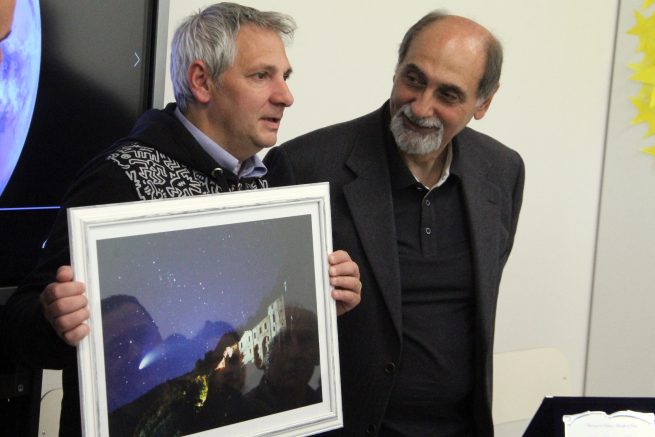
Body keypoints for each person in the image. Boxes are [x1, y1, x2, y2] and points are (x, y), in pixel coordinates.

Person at [3, 3, 361, 436]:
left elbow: (268, 318)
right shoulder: (119, 179)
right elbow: (18, 324)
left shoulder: (276, 181)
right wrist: (55, 320)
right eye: (261, 76)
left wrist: (327, 294)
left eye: (285, 76)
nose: (286, 96)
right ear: (201, 81)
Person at [264, 11, 525, 437]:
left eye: (448, 94)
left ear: (483, 103)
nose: (420, 107)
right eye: (414, 79)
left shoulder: (502, 171)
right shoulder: (306, 166)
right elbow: (261, 309)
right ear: (397, 68)